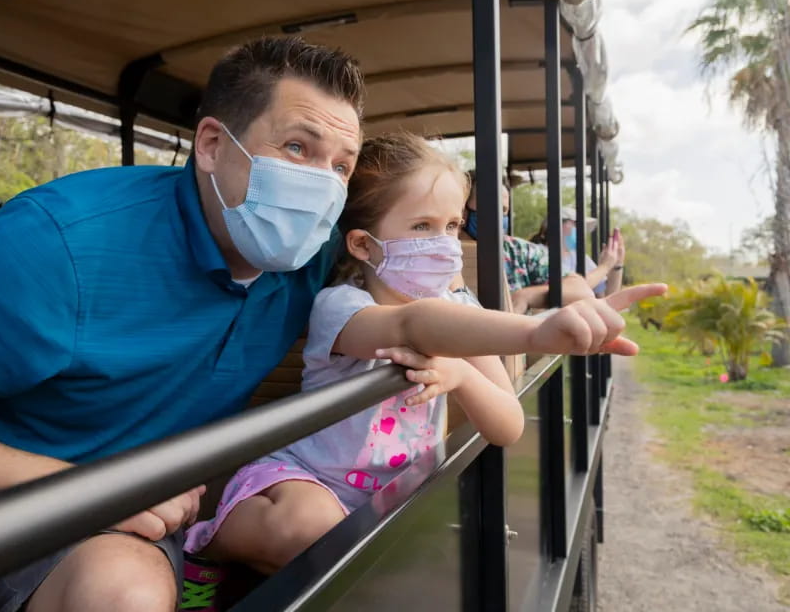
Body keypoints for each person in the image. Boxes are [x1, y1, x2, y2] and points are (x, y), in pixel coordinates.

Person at [0, 36, 366, 612]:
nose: (323, 187)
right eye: (296, 148)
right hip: (1, 506)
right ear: (211, 145)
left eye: (341, 166)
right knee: (123, 595)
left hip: (157, 510)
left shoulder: (314, 265)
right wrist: (93, 491)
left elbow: (418, 290)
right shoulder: (52, 248)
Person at [184, 132, 665, 587]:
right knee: (308, 525)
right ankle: (205, 555)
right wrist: (536, 332)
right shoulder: (342, 307)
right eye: (422, 227)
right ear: (362, 244)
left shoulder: (462, 312)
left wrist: (460, 374)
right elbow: (413, 324)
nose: (445, 244)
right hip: (310, 480)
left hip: (394, 493)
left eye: (452, 226)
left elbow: (508, 425)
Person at [462, 172, 595, 313]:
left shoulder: (518, 251)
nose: (499, 217)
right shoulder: (443, 253)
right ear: (463, 209)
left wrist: (527, 296)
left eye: (504, 210)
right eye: (489, 206)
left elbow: (581, 290)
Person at [530, 207, 625, 296]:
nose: (580, 231)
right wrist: (605, 266)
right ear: (557, 224)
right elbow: (569, 290)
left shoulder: (578, 257)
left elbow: (606, 296)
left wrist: (617, 265)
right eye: (575, 224)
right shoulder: (538, 253)